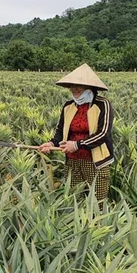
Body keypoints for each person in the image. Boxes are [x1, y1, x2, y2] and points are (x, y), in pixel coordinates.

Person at [39, 63, 114, 207]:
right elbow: (60, 132)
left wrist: (77, 145)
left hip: (95, 163)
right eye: (72, 85)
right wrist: (52, 144)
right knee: (73, 201)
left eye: (79, 85)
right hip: (72, 161)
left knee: (97, 203)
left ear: (90, 87)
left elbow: (103, 133)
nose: (74, 89)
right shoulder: (68, 106)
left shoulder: (102, 104)